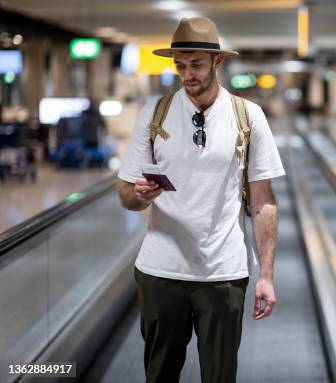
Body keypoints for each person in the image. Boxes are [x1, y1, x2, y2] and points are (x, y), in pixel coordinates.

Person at [116, 17, 285, 383]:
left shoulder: (248, 117)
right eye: (180, 66)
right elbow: (126, 194)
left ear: (217, 62)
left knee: (220, 375)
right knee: (159, 374)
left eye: (195, 65)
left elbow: (263, 202)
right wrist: (140, 196)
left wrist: (266, 276)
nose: (187, 75)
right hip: (161, 271)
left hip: (223, 273)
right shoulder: (155, 113)